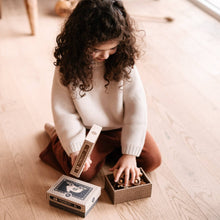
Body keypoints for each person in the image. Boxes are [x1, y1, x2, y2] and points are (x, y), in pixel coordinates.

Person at [40, 0, 161, 186]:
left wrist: (130, 154)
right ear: (79, 42)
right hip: (88, 131)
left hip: (120, 128)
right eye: (96, 50)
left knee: (152, 161)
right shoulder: (67, 67)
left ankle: (112, 152)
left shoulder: (123, 62)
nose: (105, 56)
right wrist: (74, 148)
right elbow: (64, 112)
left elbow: (136, 108)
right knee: (81, 173)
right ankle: (57, 137)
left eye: (112, 48)